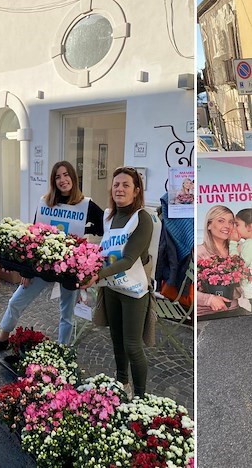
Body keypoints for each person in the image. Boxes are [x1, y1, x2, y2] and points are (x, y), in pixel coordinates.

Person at [0, 161, 104, 356]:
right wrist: (26, 270)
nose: (63, 180)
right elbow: (34, 236)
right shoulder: (45, 203)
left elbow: (103, 226)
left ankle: (61, 351)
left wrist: (86, 230)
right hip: (42, 266)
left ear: (73, 177)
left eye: (66, 175)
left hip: (69, 268)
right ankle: (2, 339)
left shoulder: (85, 205)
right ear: (53, 181)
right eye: (58, 176)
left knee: (66, 314)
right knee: (16, 301)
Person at [82, 166, 153, 398]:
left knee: (132, 345)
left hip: (133, 291)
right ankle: (122, 383)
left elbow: (129, 259)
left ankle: (141, 398)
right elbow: (106, 249)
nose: (119, 189)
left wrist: (97, 275)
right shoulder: (108, 215)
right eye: (116, 185)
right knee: (116, 341)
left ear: (136, 191)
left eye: (125, 185)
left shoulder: (142, 218)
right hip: (112, 288)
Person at [197, 205, 241, 316]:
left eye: (231, 222)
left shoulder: (239, 250)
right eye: (221, 221)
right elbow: (189, 289)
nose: (227, 226)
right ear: (209, 225)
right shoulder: (199, 252)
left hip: (234, 311)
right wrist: (209, 299)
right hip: (204, 314)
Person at [230, 208, 252, 305]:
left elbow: (238, 265)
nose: (234, 228)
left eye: (237, 224)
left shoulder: (249, 243)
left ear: (249, 227)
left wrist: (233, 242)